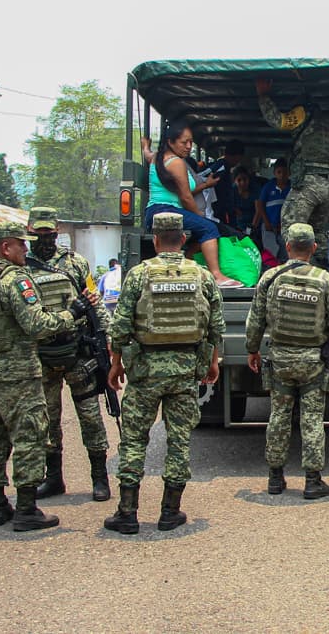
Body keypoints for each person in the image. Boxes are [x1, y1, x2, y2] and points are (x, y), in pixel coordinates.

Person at [0, 221, 95, 532]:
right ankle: (27, 508)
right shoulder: (14, 279)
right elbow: (37, 325)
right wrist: (73, 314)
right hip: (19, 373)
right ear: (6, 247)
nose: (26, 250)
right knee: (29, 437)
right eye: (21, 244)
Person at [103, 212, 225, 535]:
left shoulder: (139, 274)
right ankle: (170, 512)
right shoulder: (201, 275)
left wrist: (116, 364)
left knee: (133, 441)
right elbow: (215, 328)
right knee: (179, 441)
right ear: (184, 240)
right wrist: (213, 363)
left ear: (155, 240)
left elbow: (121, 327)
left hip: (144, 373)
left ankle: (127, 514)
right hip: (185, 373)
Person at [246, 223, 329, 499]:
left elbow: (255, 320)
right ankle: (313, 482)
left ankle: (275, 479)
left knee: (278, 416)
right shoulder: (324, 279)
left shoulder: (270, 278)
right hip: (313, 361)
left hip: (279, 359)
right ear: (314, 248)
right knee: (312, 419)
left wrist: (252, 349)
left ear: (288, 246)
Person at [24, 206, 113, 503]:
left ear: (57, 230)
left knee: (90, 417)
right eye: (39, 234)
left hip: (77, 354)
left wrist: (108, 338)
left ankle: (100, 478)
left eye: (49, 233)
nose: (44, 239)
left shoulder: (75, 264)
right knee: (48, 420)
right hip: (42, 356)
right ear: (30, 232)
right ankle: (54, 479)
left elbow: (94, 302)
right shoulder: (22, 268)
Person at [256, 78, 329, 268]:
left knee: (291, 225)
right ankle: (320, 268)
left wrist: (263, 96)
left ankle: (296, 270)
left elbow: (278, 121)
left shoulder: (304, 113)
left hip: (311, 183)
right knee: (318, 230)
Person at [143, 122, 243, 287]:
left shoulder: (157, 157)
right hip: (167, 210)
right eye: (184, 142)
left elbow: (147, 154)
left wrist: (145, 146)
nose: (189, 146)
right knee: (209, 229)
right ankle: (217, 276)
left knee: (204, 230)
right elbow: (186, 198)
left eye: (191, 142)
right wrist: (199, 215)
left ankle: (187, 265)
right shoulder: (176, 163)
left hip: (154, 212)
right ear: (171, 142)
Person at [257, 157, 291, 261]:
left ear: (289, 173)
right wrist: (266, 222)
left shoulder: (292, 187)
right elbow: (260, 205)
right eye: (279, 172)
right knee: (270, 251)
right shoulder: (268, 187)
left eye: (285, 172)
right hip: (269, 225)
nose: (282, 175)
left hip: (285, 226)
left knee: (285, 251)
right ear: (274, 173)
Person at [231, 165, 260, 234]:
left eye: (245, 179)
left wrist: (252, 228)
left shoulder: (255, 189)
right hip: (239, 224)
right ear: (234, 181)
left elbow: (258, 211)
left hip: (255, 222)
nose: (242, 183)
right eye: (239, 180)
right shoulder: (232, 190)